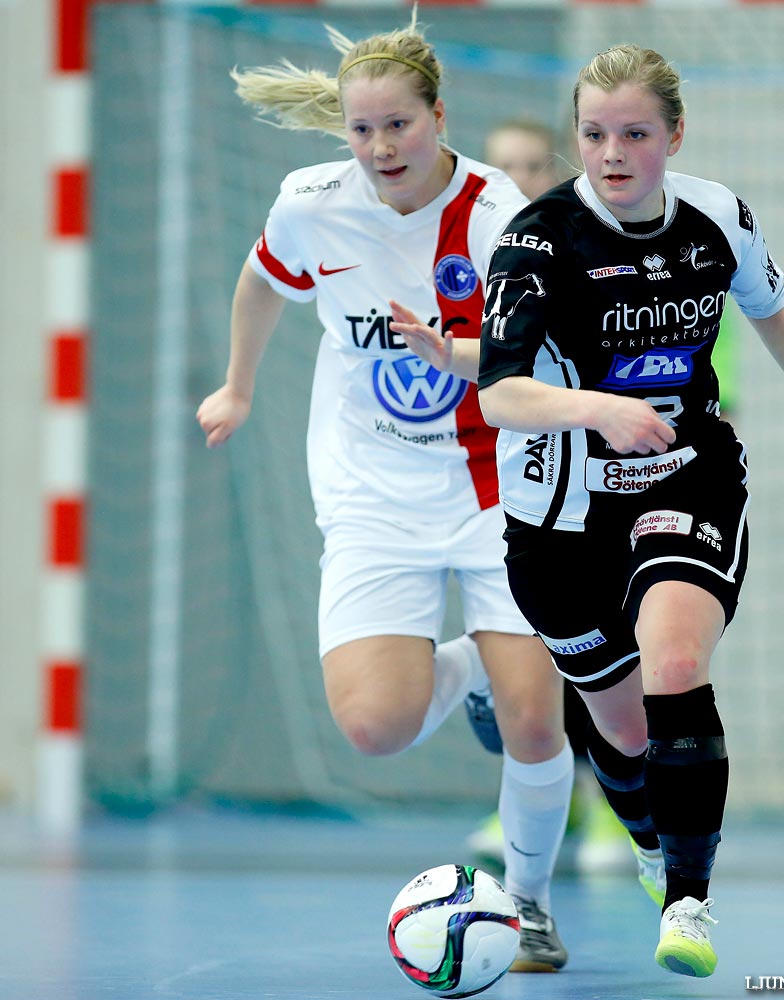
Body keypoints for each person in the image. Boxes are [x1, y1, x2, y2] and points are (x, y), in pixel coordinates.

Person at [476, 44, 784, 978]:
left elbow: (775, 306)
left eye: (634, 134)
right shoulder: (537, 241)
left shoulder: (719, 217)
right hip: (557, 510)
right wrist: (598, 409)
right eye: (593, 134)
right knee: (619, 731)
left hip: (682, 475)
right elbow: (501, 392)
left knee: (674, 663)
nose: (611, 154)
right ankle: (655, 846)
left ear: (674, 136)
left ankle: (690, 902)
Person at [194, 14, 573, 974]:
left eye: (398, 126)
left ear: (439, 117)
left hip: (498, 486)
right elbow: (259, 284)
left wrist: (452, 353)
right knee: (375, 726)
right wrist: (237, 384)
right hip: (371, 494)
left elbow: (538, 352)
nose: (380, 149)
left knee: (535, 720)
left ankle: (526, 906)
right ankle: (476, 666)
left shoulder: (499, 218)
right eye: (362, 131)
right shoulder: (311, 203)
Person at [471, 119, 631, 877]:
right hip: (527, 483)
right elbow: (495, 369)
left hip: (619, 482)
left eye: (535, 166)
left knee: (613, 658)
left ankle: (609, 805)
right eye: (506, 168)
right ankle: (539, 795)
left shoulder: (599, 250)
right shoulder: (485, 265)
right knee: (531, 651)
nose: (522, 181)